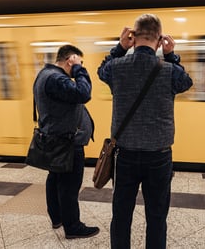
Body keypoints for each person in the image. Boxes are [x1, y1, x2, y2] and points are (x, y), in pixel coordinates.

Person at [97, 14, 193, 249]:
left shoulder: (116, 67)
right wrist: (171, 55)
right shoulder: (170, 70)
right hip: (159, 157)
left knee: (121, 217)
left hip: (125, 156)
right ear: (159, 39)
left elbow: (101, 71)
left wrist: (119, 48)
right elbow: (186, 82)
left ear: (133, 36)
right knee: (157, 218)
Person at [33, 44, 99, 239]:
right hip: (66, 142)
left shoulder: (44, 74)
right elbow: (83, 93)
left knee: (55, 179)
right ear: (70, 59)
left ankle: (57, 217)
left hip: (56, 139)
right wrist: (80, 70)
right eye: (78, 61)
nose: (79, 65)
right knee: (69, 186)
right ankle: (73, 226)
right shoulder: (55, 78)